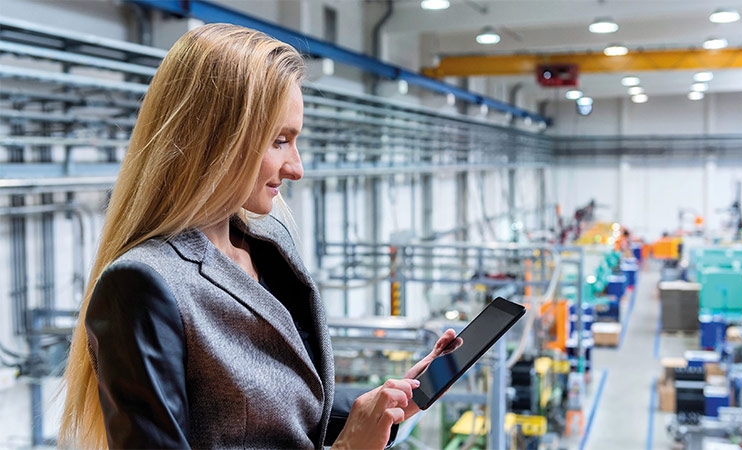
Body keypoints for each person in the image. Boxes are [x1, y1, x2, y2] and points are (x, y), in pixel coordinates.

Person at [59, 23, 457, 449]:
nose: (296, 168)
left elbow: (286, 413)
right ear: (215, 140)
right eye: (280, 141)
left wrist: (389, 404)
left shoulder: (268, 251)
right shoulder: (143, 285)